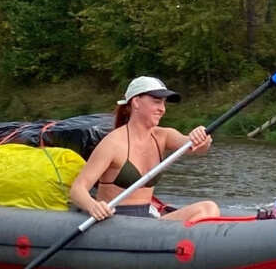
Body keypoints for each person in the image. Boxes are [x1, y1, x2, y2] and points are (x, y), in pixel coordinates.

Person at [70, 76, 220, 226]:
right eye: (156, 102)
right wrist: (93, 206)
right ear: (136, 102)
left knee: (208, 208)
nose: (162, 109)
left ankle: (185, 246)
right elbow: (78, 190)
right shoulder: (113, 143)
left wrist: (201, 137)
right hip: (116, 221)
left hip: (146, 219)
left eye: (163, 103)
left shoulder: (163, 136)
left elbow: (194, 147)